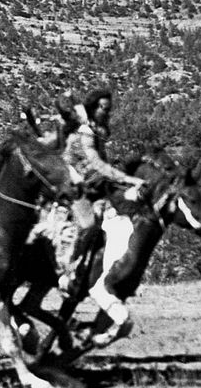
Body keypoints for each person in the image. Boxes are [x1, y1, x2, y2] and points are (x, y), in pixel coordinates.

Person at [60, 88, 145, 292]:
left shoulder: (95, 128)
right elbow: (96, 163)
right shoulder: (85, 132)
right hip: (74, 184)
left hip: (96, 184)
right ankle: (67, 271)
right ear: (95, 107)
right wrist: (126, 178)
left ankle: (112, 274)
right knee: (88, 224)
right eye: (103, 108)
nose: (107, 113)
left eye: (108, 109)